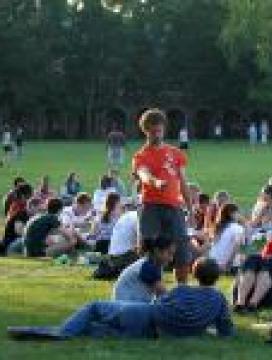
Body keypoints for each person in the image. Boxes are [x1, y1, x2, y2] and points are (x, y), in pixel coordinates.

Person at [8, 257, 234, 340]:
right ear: (217, 278)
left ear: (195, 273)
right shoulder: (219, 301)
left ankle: (60, 333)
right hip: (157, 335)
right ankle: (50, 332)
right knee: (99, 330)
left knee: (95, 307)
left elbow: (159, 304)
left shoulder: (182, 290)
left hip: (148, 317)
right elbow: (226, 331)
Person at [133, 108, 192, 284]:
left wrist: (190, 206)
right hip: (151, 207)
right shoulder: (140, 156)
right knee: (150, 251)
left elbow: (183, 181)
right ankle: (151, 290)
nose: (157, 134)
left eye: (159, 130)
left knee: (181, 250)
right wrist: (155, 182)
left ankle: (181, 291)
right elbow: (143, 174)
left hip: (174, 207)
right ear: (146, 131)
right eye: (153, 131)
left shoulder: (176, 154)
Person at [113, 235, 175, 303]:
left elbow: (160, 296)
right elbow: (163, 293)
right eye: (169, 253)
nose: (171, 259)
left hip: (130, 305)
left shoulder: (152, 264)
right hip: (128, 307)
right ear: (157, 251)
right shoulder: (148, 267)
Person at [208, 203, 245, 272]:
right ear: (232, 214)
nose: (239, 215)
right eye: (238, 213)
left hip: (212, 263)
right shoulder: (237, 228)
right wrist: (228, 264)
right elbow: (237, 247)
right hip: (228, 265)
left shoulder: (218, 227)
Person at [1, 183, 33, 255]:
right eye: (30, 196)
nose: (31, 198)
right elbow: (18, 231)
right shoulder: (20, 209)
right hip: (12, 244)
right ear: (24, 196)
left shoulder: (14, 205)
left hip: (9, 242)